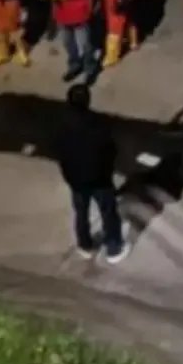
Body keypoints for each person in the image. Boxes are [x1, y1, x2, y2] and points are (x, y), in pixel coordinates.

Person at [50, 84, 128, 264]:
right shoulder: (98, 123)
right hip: (99, 177)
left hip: (76, 179)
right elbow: (109, 149)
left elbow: (57, 149)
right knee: (108, 212)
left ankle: (84, 245)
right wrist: (107, 169)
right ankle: (113, 248)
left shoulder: (61, 124)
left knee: (81, 211)